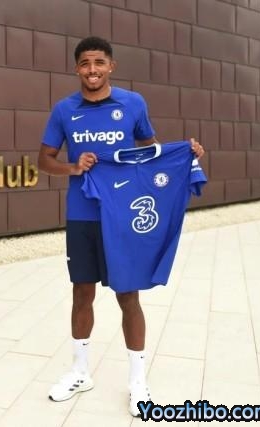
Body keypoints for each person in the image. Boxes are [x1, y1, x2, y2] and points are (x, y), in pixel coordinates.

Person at [37, 36, 204, 417]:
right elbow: (44, 160)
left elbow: (151, 151)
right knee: (82, 293)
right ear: (76, 69)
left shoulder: (133, 104)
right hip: (82, 215)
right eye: (85, 63)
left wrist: (185, 155)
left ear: (111, 66)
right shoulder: (65, 110)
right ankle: (80, 372)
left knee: (128, 295)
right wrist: (73, 167)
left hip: (123, 214)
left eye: (99, 62)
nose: (92, 69)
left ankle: (138, 381)